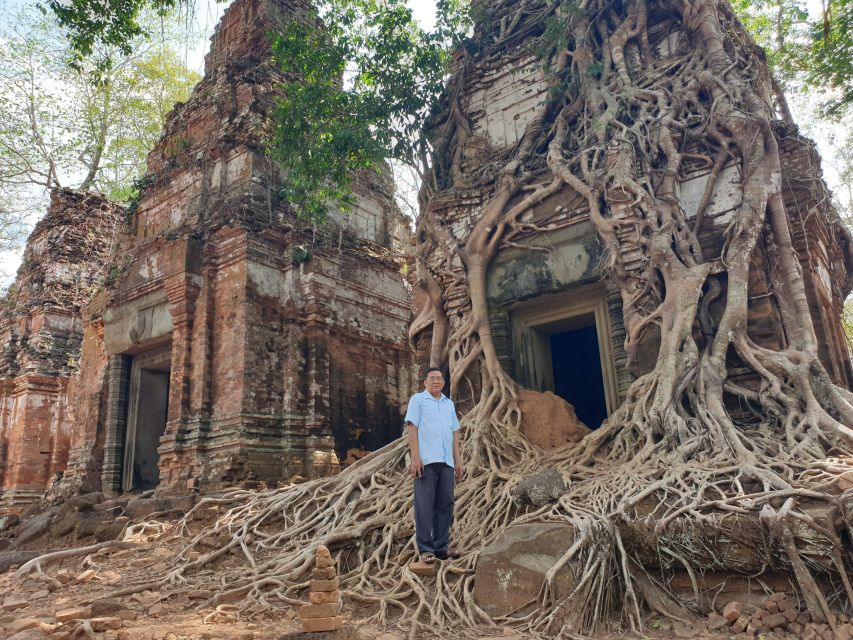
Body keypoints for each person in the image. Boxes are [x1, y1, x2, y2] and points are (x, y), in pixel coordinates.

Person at [404, 367, 464, 566]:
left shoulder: (449, 404)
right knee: (424, 505)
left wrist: (458, 461)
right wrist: (415, 457)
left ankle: (441, 547)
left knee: (445, 504)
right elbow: (412, 428)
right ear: (425, 382)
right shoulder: (418, 400)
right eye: (432, 378)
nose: (436, 381)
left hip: (446, 462)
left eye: (439, 379)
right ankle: (426, 549)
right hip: (426, 462)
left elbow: (454, 434)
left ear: (444, 383)